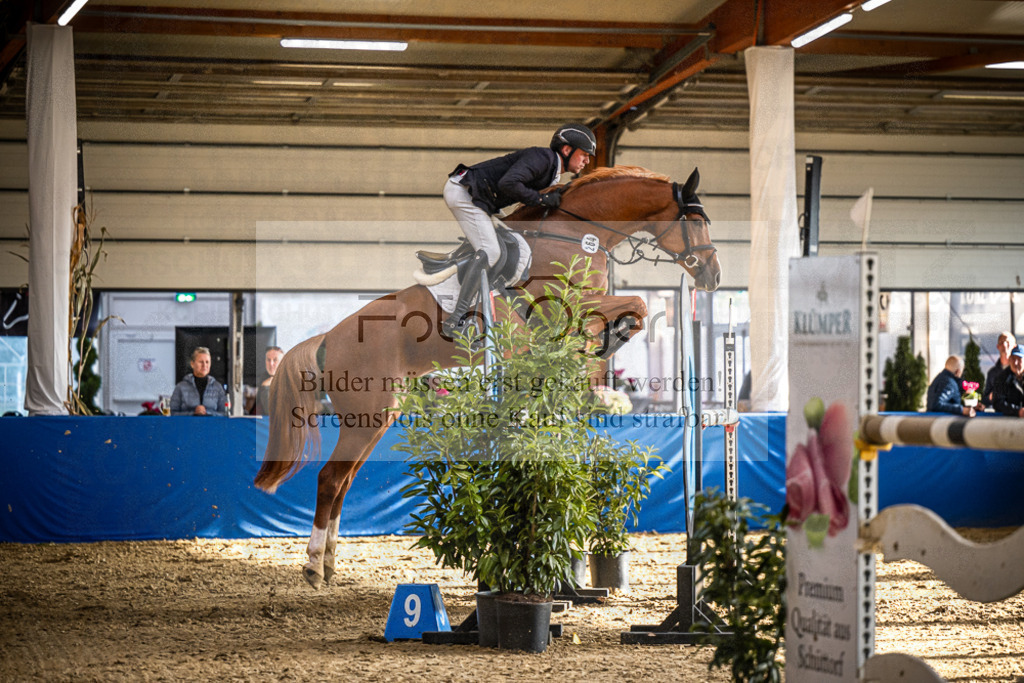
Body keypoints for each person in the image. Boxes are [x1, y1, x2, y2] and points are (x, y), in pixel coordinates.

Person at [441, 123, 597, 335]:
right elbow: (509, 183)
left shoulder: (553, 172)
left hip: (483, 199)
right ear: (567, 150)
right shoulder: (543, 158)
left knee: (518, 243)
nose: (587, 160)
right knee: (492, 252)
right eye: (584, 154)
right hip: (465, 193)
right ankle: (456, 319)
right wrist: (541, 198)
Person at [170, 346, 228, 416]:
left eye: (207, 362)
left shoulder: (217, 387)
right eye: (201, 362)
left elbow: (225, 414)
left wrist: (208, 413)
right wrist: (193, 413)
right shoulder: (180, 387)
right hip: (187, 426)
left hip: (211, 426)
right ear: (192, 364)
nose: (204, 365)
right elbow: (172, 413)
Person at [982, 331, 1016, 408]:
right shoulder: (992, 373)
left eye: (1007, 342)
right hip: (998, 416)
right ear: (998, 347)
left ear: (1014, 346)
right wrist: (991, 397)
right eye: (1001, 342)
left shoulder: (1019, 371)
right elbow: (985, 400)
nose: (1004, 345)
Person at [992, 344, 1024, 418]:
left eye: (1019, 359)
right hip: (1007, 421)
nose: (1016, 363)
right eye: (1013, 359)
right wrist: (1017, 411)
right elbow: (997, 403)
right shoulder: (1001, 378)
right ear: (1009, 360)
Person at [251, 346, 284, 416]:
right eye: (268, 360)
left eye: (275, 360)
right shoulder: (264, 378)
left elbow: (271, 413)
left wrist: (265, 387)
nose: (271, 364)